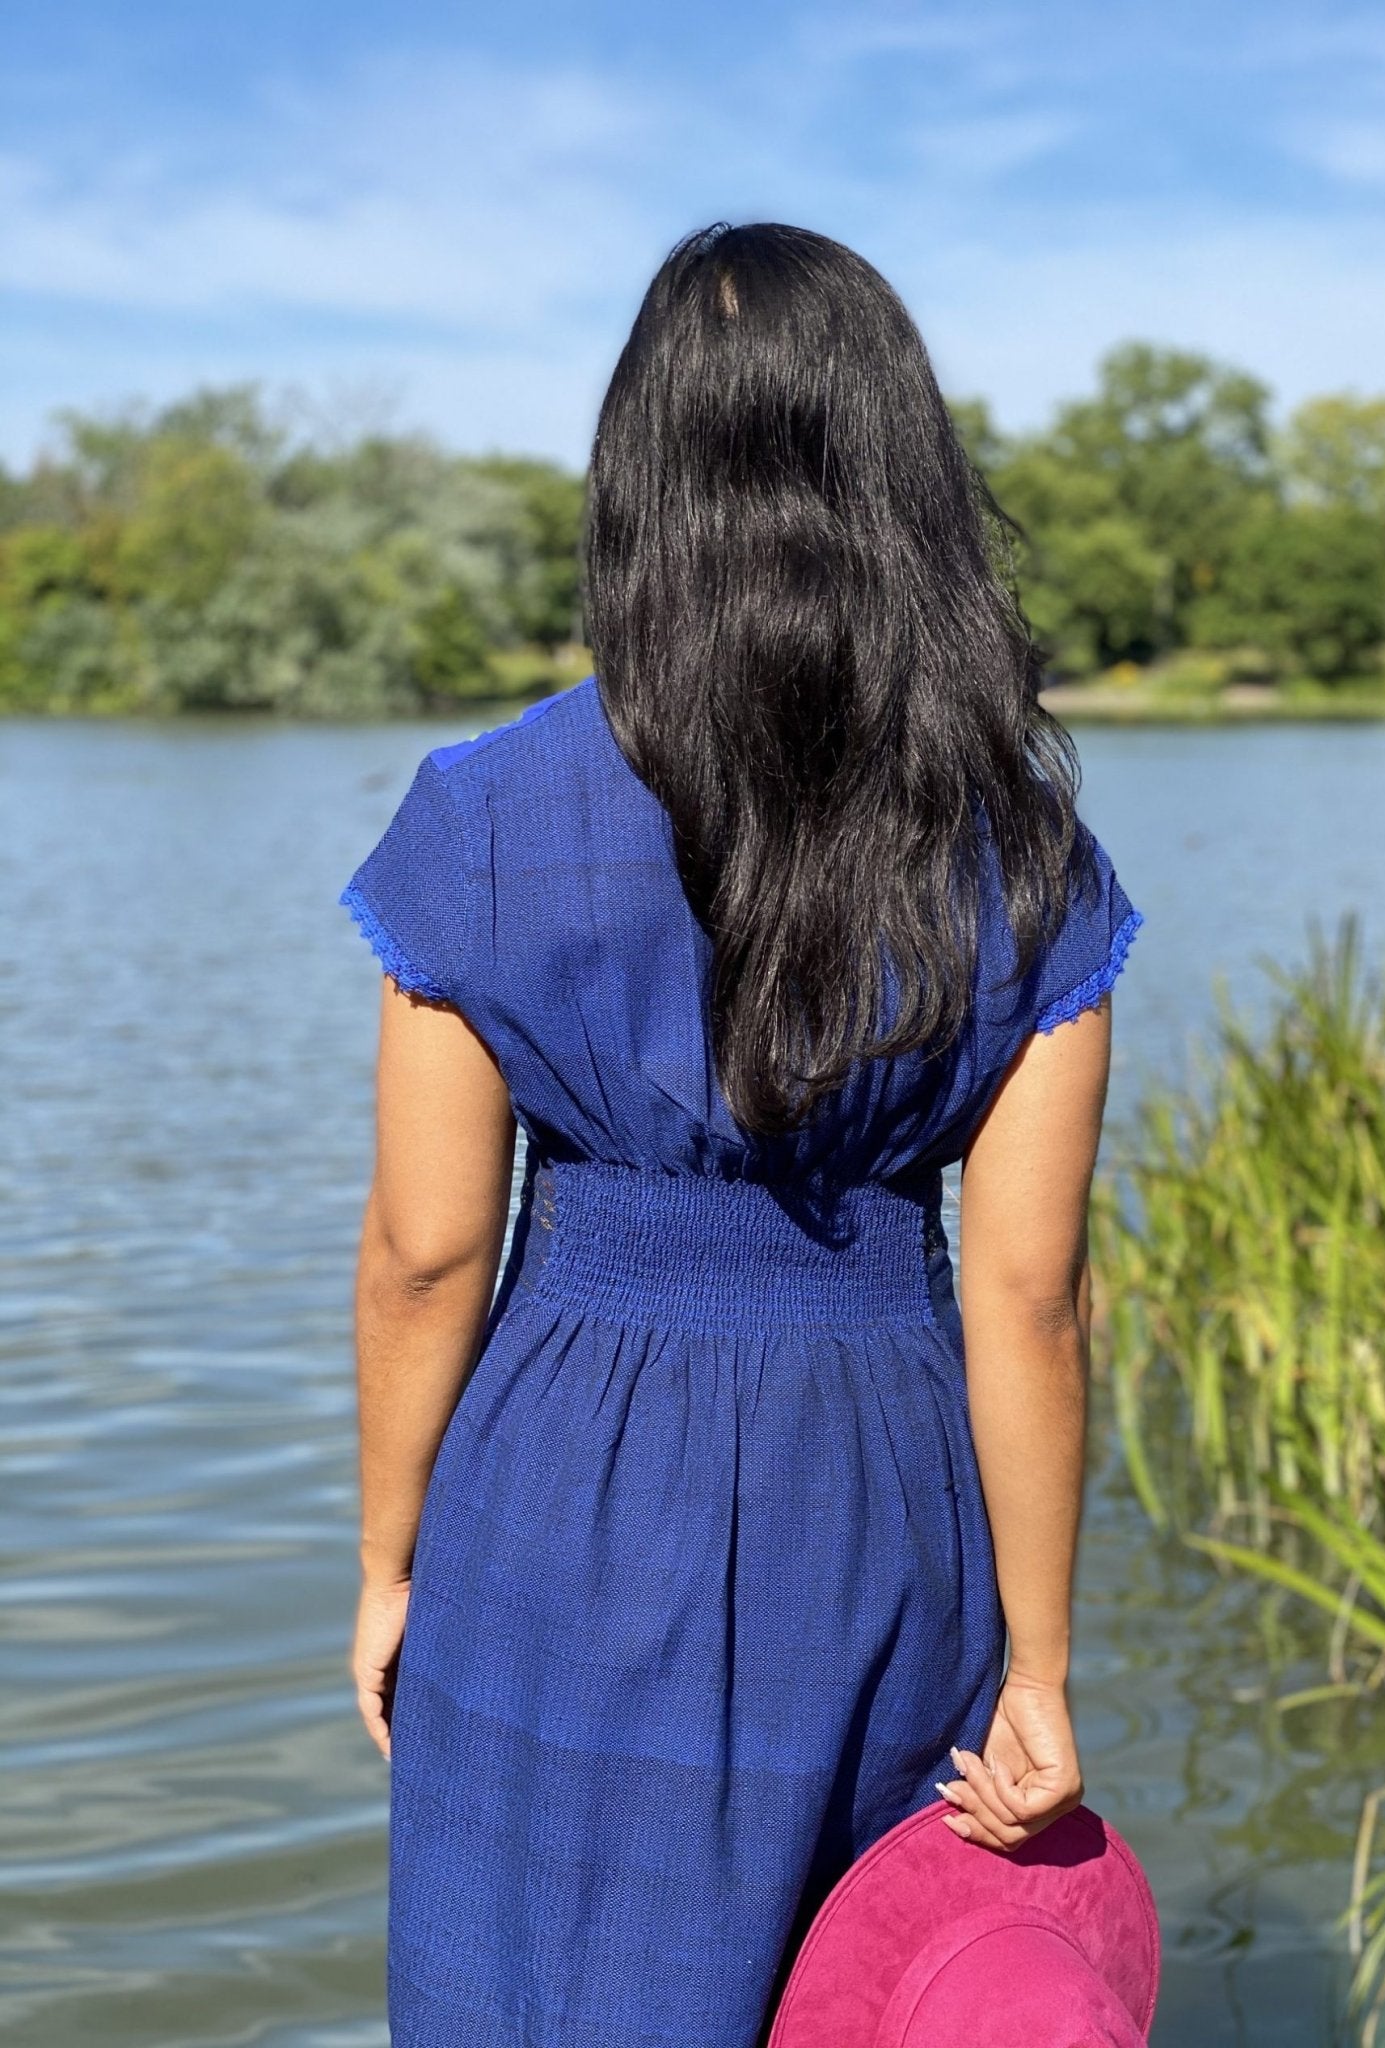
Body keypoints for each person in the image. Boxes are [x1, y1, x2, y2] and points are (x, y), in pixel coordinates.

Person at [340, 221, 1143, 2048]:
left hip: (558, 1502)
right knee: (864, 1987)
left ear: (635, 487)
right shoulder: (1023, 852)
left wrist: (392, 1560)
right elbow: (1030, 1298)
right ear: (905, 484)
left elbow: (426, 1255)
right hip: (886, 1497)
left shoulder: (481, 821)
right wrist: (1041, 1663)